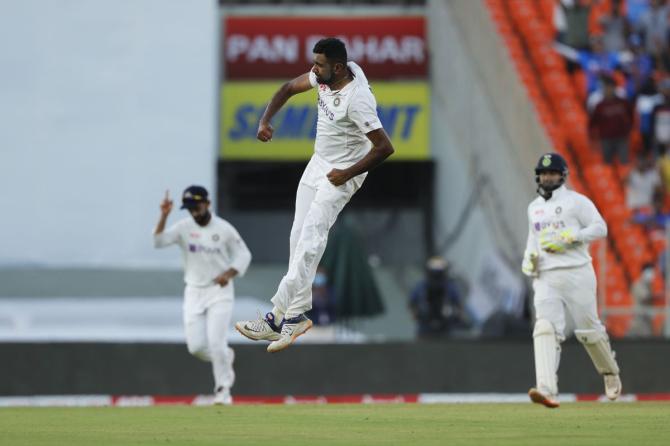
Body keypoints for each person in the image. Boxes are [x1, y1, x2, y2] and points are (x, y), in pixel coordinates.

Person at [235, 37, 394, 353]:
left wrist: (346, 174)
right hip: (318, 163)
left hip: (342, 172)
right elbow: (287, 88)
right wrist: (266, 119)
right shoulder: (327, 75)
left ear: (337, 67)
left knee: (312, 237)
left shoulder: (357, 99)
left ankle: (274, 317)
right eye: (314, 62)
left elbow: (384, 147)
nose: (313, 69)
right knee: (297, 238)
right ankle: (297, 315)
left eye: (319, 64)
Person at [521, 153, 622, 408]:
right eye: (544, 174)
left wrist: (571, 236)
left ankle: (610, 372)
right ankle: (546, 389)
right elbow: (533, 239)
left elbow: (600, 228)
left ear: (562, 175)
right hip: (546, 276)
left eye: (552, 173)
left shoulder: (576, 202)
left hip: (577, 272)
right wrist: (529, 258)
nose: (547, 177)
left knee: (588, 330)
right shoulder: (533, 207)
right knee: (545, 328)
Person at [153, 186, 251, 405]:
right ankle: (226, 357)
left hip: (219, 290)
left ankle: (223, 391)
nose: (193, 212)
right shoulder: (184, 227)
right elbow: (158, 242)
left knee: (216, 343)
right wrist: (164, 215)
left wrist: (229, 273)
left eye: (196, 206)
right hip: (194, 291)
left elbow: (244, 254)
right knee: (196, 347)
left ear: (207, 204)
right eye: (189, 208)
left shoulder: (224, 229)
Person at [408, 256, 469, 338]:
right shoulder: (421, 286)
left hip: (445, 328)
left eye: (438, 272)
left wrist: (458, 316)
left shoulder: (450, 287)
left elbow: (458, 305)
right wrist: (415, 314)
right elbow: (412, 303)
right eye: (434, 272)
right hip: (424, 327)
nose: (436, 276)